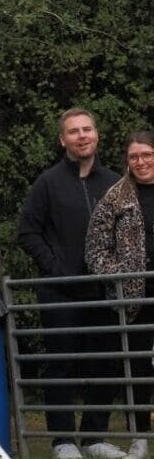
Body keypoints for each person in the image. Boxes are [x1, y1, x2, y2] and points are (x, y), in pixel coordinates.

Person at [18, 108, 123, 459]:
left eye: (88, 129)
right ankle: (63, 441)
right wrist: (54, 267)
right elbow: (27, 232)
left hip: (104, 290)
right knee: (60, 364)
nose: (82, 136)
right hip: (59, 291)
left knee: (105, 363)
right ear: (63, 139)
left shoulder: (115, 182)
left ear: (97, 135)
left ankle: (95, 438)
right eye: (74, 131)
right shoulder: (47, 182)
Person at [86, 130, 154, 459]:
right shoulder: (116, 197)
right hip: (136, 297)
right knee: (138, 368)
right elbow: (95, 250)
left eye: (147, 154)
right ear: (126, 161)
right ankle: (140, 436)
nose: (141, 162)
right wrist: (119, 277)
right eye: (134, 156)